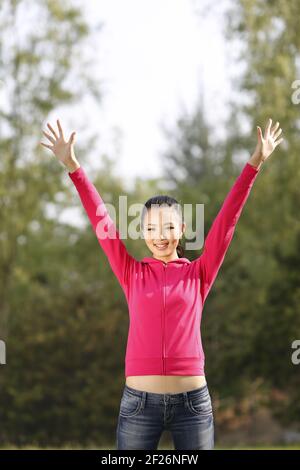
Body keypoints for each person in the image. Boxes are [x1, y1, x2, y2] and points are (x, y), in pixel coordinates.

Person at [40, 118, 283, 450]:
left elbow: (228, 219)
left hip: (193, 406)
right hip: (139, 405)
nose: (160, 236)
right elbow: (102, 220)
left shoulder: (199, 273)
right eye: (151, 229)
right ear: (143, 233)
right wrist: (73, 167)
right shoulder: (132, 273)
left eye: (168, 227)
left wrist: (255, 163)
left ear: (181, 229)